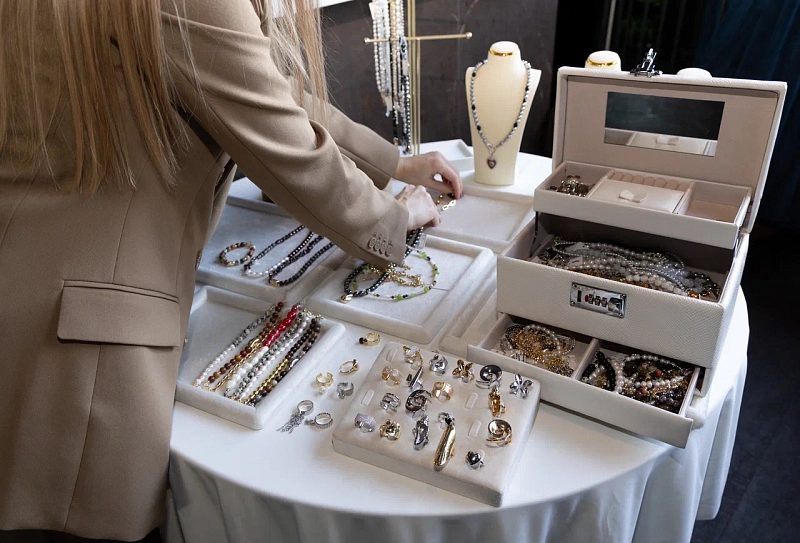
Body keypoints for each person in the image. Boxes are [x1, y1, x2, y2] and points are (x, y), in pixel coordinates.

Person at [0, 0, 462, 541]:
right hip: (80, 350)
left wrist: (391, 164)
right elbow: (284, 140)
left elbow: (259, 83)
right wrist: (394, 217)